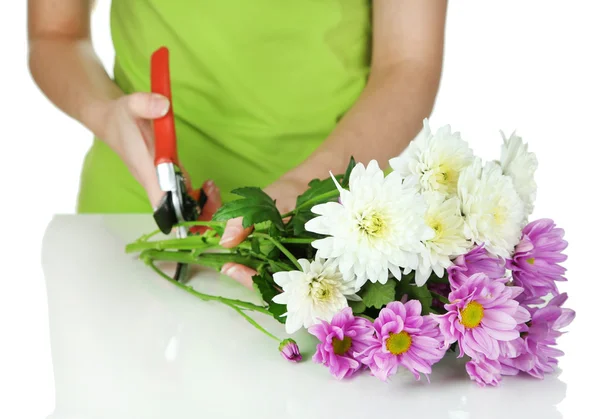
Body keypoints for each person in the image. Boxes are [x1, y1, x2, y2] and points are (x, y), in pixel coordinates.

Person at [28, 0, 448, 287]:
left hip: (327, 227)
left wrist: (307, 185)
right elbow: (54, 33)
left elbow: (407, 64)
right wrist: (108, 114)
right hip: (135, 218)